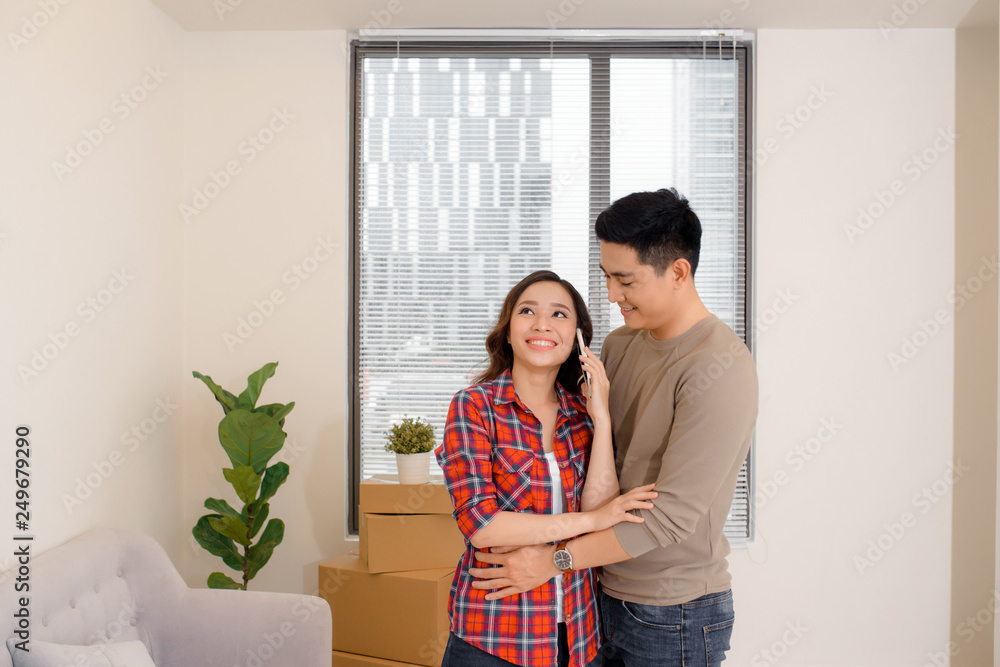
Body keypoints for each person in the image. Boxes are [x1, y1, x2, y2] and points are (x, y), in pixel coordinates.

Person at [470, 189, 759, 667]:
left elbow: (667, 518)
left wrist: (552, 560)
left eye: (625, 281)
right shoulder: (621, 344)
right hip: (596, 596)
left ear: (678, 272)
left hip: (674, 612)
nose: (610, 295)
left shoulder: (720, 366)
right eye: (606, 276)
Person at [435, 270, 658, 667]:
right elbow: (481, 524)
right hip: (493, 635)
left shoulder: (581, 414)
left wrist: (601, 417)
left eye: (559, 314)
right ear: (508, 332)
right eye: (527, 311)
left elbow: (601, 509)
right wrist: (590, 520)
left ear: (578, 339)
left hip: (578, 635)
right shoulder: (474, 406)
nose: (542, 324)